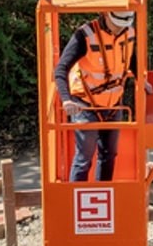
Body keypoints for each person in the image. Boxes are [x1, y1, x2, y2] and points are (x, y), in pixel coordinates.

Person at [54, 9, 145, 182]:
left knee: (109, 154)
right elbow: (60, 69)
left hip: (113, 104)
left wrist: (142, 80)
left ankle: (103, 197)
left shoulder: (129, 32)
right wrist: (66, 99)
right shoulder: (85, 35)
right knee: (83, 160)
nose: (121, 29)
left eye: (125, 24)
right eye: (118, 24)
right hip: (85, 105)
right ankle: (77, 203)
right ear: (105, 15)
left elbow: (130, 58)